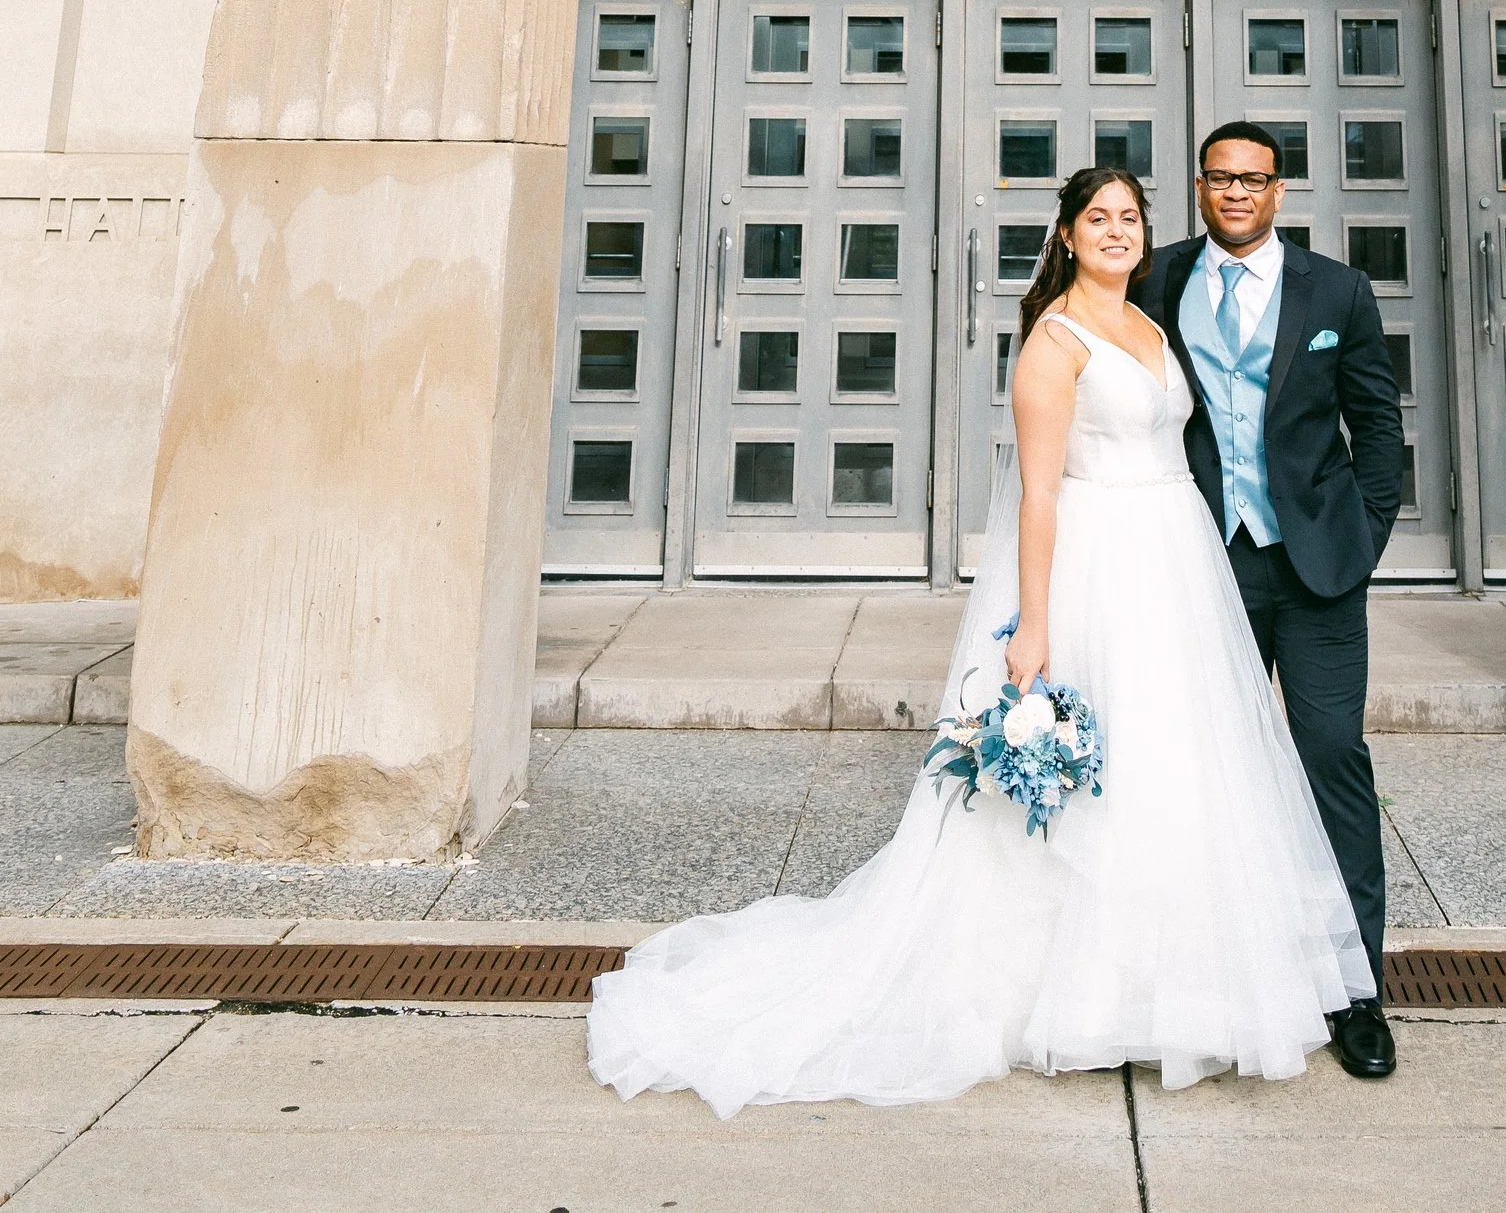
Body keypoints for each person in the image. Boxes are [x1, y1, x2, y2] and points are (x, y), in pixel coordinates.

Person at [586, 161, 1375, 1113]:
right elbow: (1041, 492)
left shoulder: (1153, 317)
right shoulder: (1054, 341)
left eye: (1130, 216)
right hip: (1102, 571)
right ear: (1068, 236)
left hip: (1180, 568)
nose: (1119, 231)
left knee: (1179, 773)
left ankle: (1182, 982)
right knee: (1104, 786)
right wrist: (1032, 627)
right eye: (1099, 218)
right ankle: (1084, 992)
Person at [1136, 119, 1405, 1081]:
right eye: (1219, 178)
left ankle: (1355, 991)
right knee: (1212, 772)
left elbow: (1378, 425)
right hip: (1209, 563)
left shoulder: (1338, 289)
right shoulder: (1158, 279)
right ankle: (1224, 980)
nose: (1236, 193)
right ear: (1200, 187)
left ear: (1279, 191)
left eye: (1253, 179)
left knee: (1332, 756)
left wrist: (1365, 536)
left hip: (1320, 567)